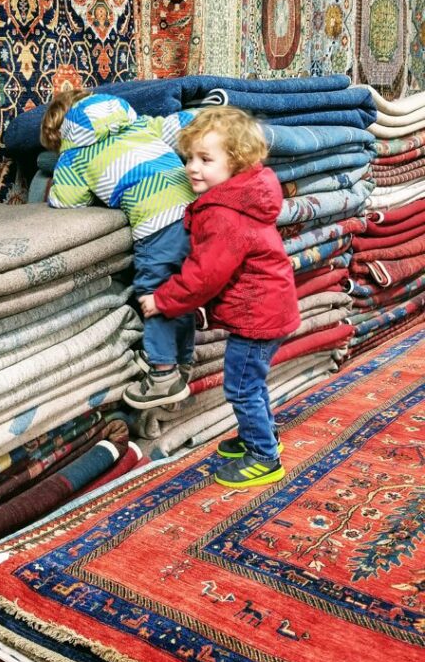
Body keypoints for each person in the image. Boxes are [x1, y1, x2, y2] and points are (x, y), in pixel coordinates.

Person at [139, 106, 300, 488]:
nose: (192, 168)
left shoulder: (225, 214)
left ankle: (264, 456)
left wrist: (162, 300)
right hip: (269, 310)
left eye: (205, 160)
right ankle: (261, 435)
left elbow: (204, 275)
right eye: (189, 158)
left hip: (257, 317)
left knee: (241, 386)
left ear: (236, 162)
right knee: (252, 382)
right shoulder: (241, 198)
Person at [41, 89, 197, 409]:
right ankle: (182, 360)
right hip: (197, 212)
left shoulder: (75, 153)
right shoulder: (139, 124)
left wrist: (56, 180)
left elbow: (67, 201)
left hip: (156, 222)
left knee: (156, 296)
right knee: (181, 293)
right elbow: (180, 125)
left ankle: (163, 375)